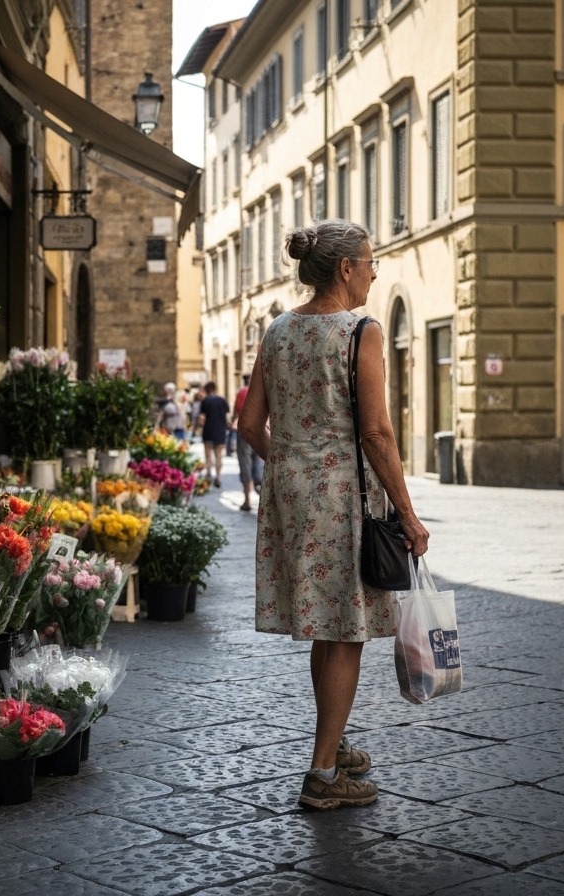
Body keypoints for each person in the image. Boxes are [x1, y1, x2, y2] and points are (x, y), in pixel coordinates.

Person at [237, 219, 430, 811]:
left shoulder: (276, 331)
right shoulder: (360, 332)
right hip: (344, 498)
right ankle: (322, 775)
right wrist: (409, 514)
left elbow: (248, 427)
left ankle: (334, 742)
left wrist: (293, 464)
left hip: (292, 496)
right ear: (345, 268)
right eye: (370, 261)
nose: (375, 270)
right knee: (346, 631)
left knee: (327, 624)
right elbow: (375, 431)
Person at [230, 374, 262, 511]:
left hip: (244, 430)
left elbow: (236, 411)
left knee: (245, 462)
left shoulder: (241, 392)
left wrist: (233, 422)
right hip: (261, 430)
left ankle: (247, 500)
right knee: (259, 462)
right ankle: (262, 498)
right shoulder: (261, 391)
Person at [196, 380, 230, 488]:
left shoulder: (205, 401)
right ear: (215, 389)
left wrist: (200, 427)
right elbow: (227, 417)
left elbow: (202, 417)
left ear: (206, 390)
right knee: (219, 456)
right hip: (220, 430)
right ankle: (218, 477)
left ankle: (209, 474)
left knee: (208, 455)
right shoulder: (222, 400)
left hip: (208, 430)